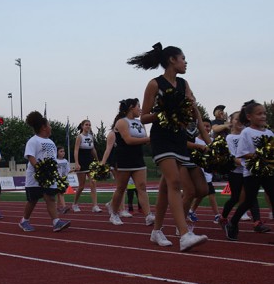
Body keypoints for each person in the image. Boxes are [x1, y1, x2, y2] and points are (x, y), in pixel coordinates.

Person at [127, 42, 208, 251]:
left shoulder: (184, 84)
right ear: (172, 60)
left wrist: (208, 140)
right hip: (162, 137)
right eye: (183, 59)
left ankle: (156, 230)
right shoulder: (155, 84)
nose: (186, 62)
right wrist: (165, 111)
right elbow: (144, 117)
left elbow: (194, 112)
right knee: (175, 182)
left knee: (165, 187)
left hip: (179, 137)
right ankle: (184, 235)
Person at [226, 101, 273, 240]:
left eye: (264, 113)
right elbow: (241, 153)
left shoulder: (269, 132)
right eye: (259, 114)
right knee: (248, 200)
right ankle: (233, 222)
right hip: (252, 172)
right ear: (249, 117)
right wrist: (260, 154)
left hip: (267, 171)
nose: (263, 116)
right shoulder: (246, 132)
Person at [104, 98, 155, 226]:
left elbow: (145, 140)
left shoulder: (140, 123)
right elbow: (128, 140)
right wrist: (148, 138)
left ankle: (148, 215)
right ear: (131, 107)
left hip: (138, 158)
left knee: (142, 187)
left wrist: (154, 139)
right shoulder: (121, 122)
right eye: (138, 106)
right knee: (121, 188)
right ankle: (114, 214)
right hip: (124, 159)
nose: (141, 109)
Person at [18, 111, 71, 232]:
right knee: (32, 200)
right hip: (35, 176)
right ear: (43, 127)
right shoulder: (33, 141)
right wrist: (40, 170)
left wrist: (53, 173)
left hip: (49, 176)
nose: (51, 127)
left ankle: (56, 222)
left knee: (51, 197)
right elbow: (31, 157)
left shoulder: (51, 142)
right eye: (49, 125)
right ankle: (24, 221)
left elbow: (52, 160)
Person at [219, 111, 260, 229]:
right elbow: (234, 157)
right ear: (231, 122)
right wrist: (248, 163)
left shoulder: (247, 134)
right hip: (236, 172)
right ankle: (224, 217)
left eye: (241, 119)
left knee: (252, 196)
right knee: (235, 198)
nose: (239, 122)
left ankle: (257, 222)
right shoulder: (230, 138)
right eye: (236, 119)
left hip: (249, 171)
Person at [189, 119, 221, 223]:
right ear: (199, 127)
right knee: (210, 192)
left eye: (208, 126)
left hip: (207, 172)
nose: (206, 128)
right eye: (204, 126)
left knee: (201, 193)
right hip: (197, 171)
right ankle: (217, 215)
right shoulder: (194, 140)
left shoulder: (211, 141)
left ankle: (190, 210)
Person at [72, 119, 101, 213]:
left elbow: (93, 149)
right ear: (82, 126)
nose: (88, 126)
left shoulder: (91, 136)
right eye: (86, 124)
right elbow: (76, 150)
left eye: (89, 125)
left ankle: (95, 206)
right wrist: (76, 162)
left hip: (90, 161)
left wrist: (97, 161)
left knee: (93, 182)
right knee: (81, 186)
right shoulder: (79, 137)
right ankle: (75, 203)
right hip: (81, 161)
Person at [56, 146, 71, 214]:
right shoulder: (55, 161)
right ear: (57, 153)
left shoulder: (66, 161)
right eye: (61, 151)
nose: (63, 153)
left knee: (59, 194)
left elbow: (68, 170)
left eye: (63, 151)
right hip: (57, 179)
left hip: (64, 179)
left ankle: (57, 208)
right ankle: (64, 206)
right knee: (60, 193)